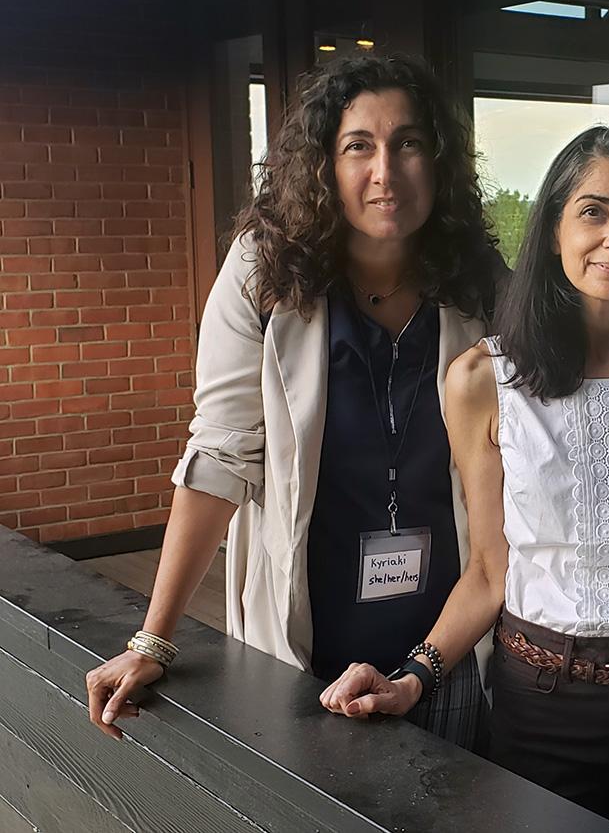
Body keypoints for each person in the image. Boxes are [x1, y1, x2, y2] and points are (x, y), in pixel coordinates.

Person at [318, 124, 609, 833]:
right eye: (594, 211)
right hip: (545, 702)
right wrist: (413, 676)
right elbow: (489, 569)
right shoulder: (486, 381)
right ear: (552, 231)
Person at [84, 54, 504, 750]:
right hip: (307, 645)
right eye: (357, 146)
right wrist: (153, 639)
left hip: (444, 649)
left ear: (439, 162)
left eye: (409, 143)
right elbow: (219, 457)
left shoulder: (476, 283)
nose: (385, 171)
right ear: (322, 166)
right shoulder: (264, 272)